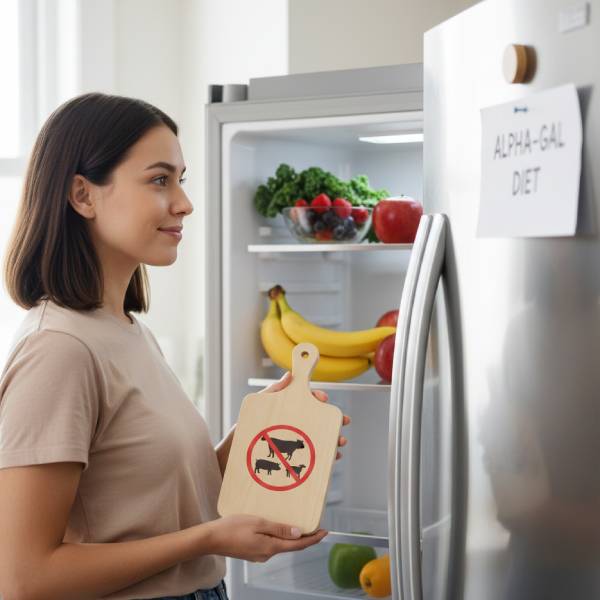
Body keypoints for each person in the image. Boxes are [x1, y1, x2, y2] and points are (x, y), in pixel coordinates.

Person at [0, 92, 350, 600]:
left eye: (180, 180)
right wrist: (207, 539)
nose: (184, 203)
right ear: (83, 195)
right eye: (159, 180)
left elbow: (140, 503)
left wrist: (242, 447)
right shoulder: (59, 350)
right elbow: (24, 579)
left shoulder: (126, 330)